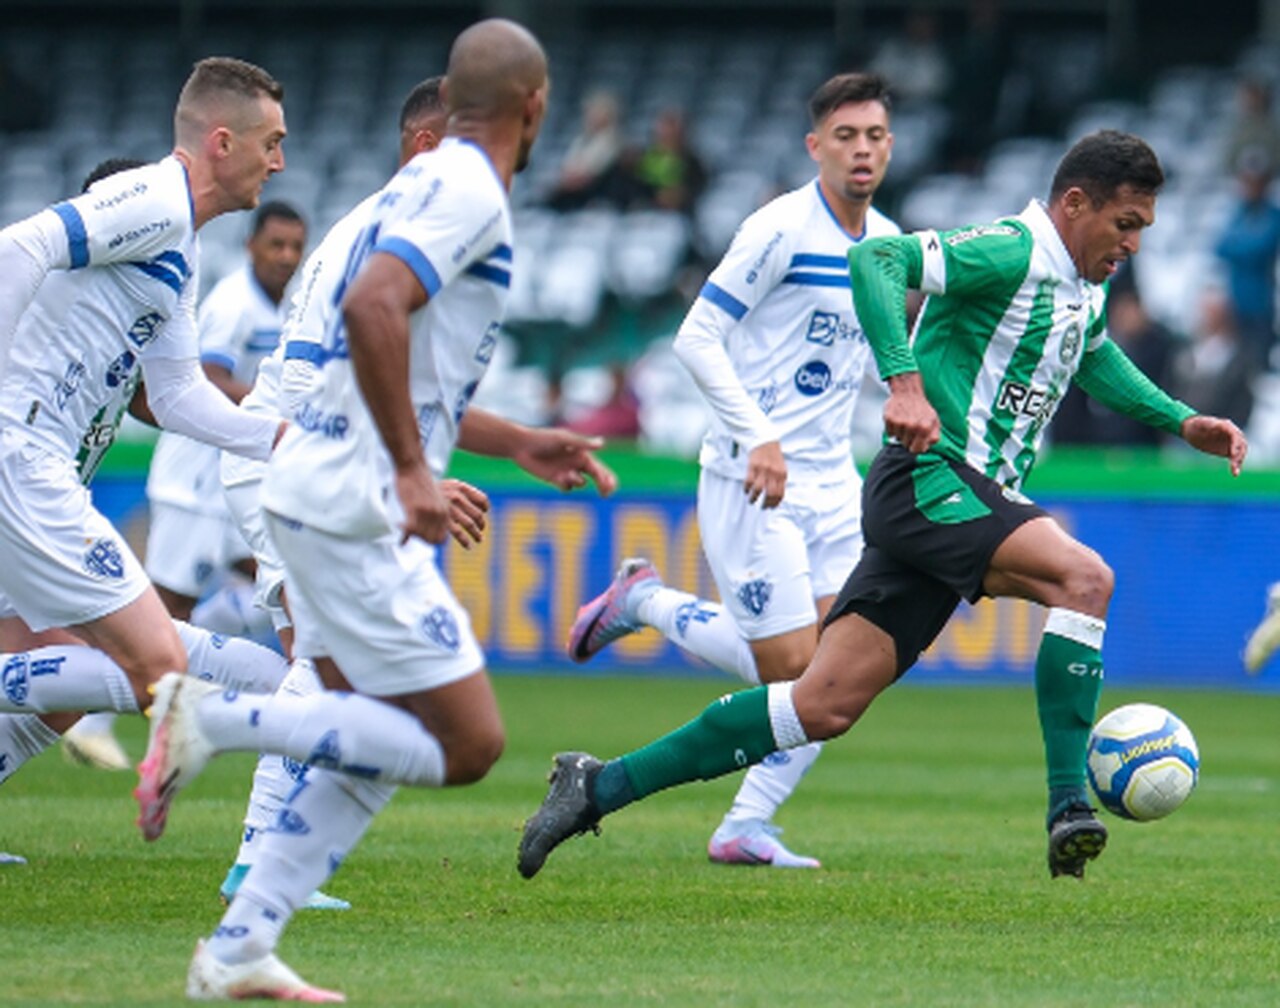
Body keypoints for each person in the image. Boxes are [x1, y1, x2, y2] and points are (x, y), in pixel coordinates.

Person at [517, 129, 1248, 884]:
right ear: (1074, 203)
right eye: (1125, 224)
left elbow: (1091, 353)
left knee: (816, 706)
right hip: (934, 479)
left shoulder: (1078, 287)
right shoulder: (1010, 249)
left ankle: (595, 786)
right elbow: (877, 258)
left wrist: (1178, 419)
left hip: (956, 498)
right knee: (1085, 580)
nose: (1132, 243)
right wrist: (903, 381)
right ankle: (1069, 805)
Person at [129, 21, 610, 1001]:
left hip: (310, 480)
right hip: (349, 498)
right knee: (465, 741)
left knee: (364, 708)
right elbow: (373, 312)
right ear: (535, 105)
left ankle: (240, 943)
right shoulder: (468, 187)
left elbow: (393, 350)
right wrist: (407, 473)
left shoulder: (415, 188)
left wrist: (514, 442)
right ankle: (214, 721)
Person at [566, 72, 899, 868]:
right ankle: (644, 598)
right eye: (846, 136)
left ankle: (745, 825)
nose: (862, 150)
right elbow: (695, 339)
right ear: (816, 146)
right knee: (795, 670)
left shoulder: (887, 245)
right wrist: (759, 436)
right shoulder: (778, 229)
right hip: (752, 477)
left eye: (875, 136)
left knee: (845, 672)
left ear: (891, 147)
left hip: (833, 482)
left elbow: (871, 360)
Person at [212, 75, 469, 913]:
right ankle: (248, 834)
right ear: (430, 149)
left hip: (291, 454)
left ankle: (262, 853)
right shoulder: (394, 236)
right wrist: (411, 471)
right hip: (296, 458)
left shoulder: (375, 226)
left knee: (325, 666)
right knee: (333, 669)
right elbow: (355, 368)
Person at [0, 56, 289, 734]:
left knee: (73, 668)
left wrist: (281, 442)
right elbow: (18, 248)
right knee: (154, 664)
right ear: (223, 143)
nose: (277, 163)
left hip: (36, 462)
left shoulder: (180, 246)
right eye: (271, 143)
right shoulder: (156, 198)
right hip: (23, 453)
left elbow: (180, 394)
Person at [145, 200, 307, 629]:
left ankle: (288, 684)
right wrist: (272, 411)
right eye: (276, 245)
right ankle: (108, 693)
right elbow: (208, 381)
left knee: (285, 586)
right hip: (194, 481)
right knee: (170, 611)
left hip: (234, 473)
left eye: (295, 246)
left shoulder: (282, 308)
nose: (286, 256)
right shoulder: (234, 303)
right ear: (251, 245)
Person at [1214, 150, 1280, 372]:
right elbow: (1220, 246)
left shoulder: (1273, 215)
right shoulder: (1238, 211)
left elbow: (1261, 248)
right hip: (1234, 300)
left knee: (1259, 360)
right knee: (1237, 363)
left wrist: (1240, 247)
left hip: (1261, 301)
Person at [545, 89, 625, 211]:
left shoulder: (611, 142)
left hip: (592, 195)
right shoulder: (581, 140)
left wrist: (576, 178)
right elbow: (568, 167)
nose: (590, 117)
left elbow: (594, 172)